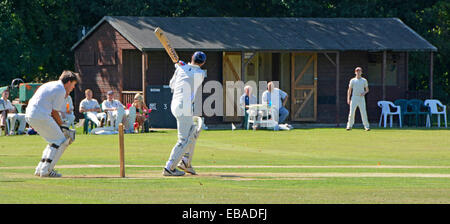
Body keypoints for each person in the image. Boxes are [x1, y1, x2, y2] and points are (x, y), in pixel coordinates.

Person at [25, 70, 78, 177]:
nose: (73, 88)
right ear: (68, 82)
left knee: (53, 140)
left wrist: (61, 126)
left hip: (31, 115)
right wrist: (63, 126)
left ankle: (40, 169)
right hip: (40, 115)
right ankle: (46, 170)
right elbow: (54, 112)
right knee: (61, 141)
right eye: (73, 85)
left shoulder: (51, 84)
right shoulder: (60, 90)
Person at [163, 51, 207, 176]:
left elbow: (171, 85)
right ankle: (169, 167)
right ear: (203, 62)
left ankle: (185, 161)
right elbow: (193, 72)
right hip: (184, 106)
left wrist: (179, 69)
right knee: (184, 139)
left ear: (191, 57)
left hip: (175, 104)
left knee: (193, 131)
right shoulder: (200, 73)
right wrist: (181, 67)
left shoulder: (181, 69)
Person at [346, 67, 370, 131]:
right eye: (357, 71)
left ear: (361, 72)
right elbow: (349, 90)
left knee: (363, 112)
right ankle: (349, 126)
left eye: (359, 71)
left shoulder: (364, 80)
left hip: (361, 98)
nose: (358, 72)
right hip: (354, 97)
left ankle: (366, 126)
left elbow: (367, 90)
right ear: (355, 72)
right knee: (351, 112)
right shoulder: (352, 80)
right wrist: (348, 98)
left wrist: (363, 93)